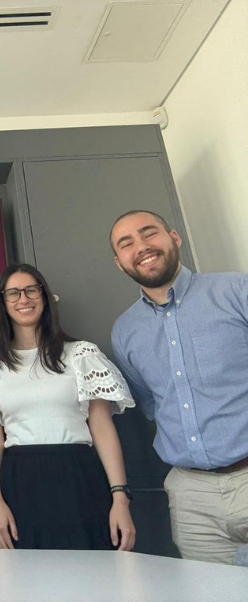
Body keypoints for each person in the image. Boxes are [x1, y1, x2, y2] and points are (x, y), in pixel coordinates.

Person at [110, 210, 248, 564]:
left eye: (149, 233)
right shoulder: (125, 331)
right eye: (127, 243)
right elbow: (153, 404)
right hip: (191, 496)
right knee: (210, 589)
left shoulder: (237, 291)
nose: (141, 247)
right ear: (119, 263)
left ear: (174, 237)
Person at [0, 263, 136, 551]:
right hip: (19, 482)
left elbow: (102, 427)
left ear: (44, 297)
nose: (23, 299)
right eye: (13, 293)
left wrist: (120, 497)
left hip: (79, 477)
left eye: (31, 290)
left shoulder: (81, 354)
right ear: (2, 303)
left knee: (90, 571)